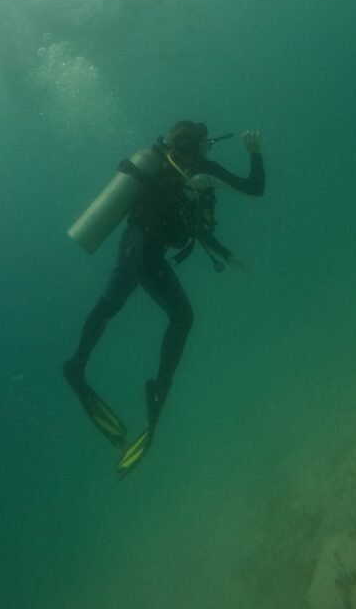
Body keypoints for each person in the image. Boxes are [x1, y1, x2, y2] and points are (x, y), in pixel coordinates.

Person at [63, 120, 265, 477]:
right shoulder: (200, 169)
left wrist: (226, 254)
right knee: (183, 317)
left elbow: (193, 223)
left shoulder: (166, 169)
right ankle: (158, 390)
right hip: (147, 253)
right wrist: (255, 153)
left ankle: (76, 366)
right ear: (195, 145)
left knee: (108, 308)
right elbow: (254, 188)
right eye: (205, 142)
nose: (209, 147)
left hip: (131, 246)